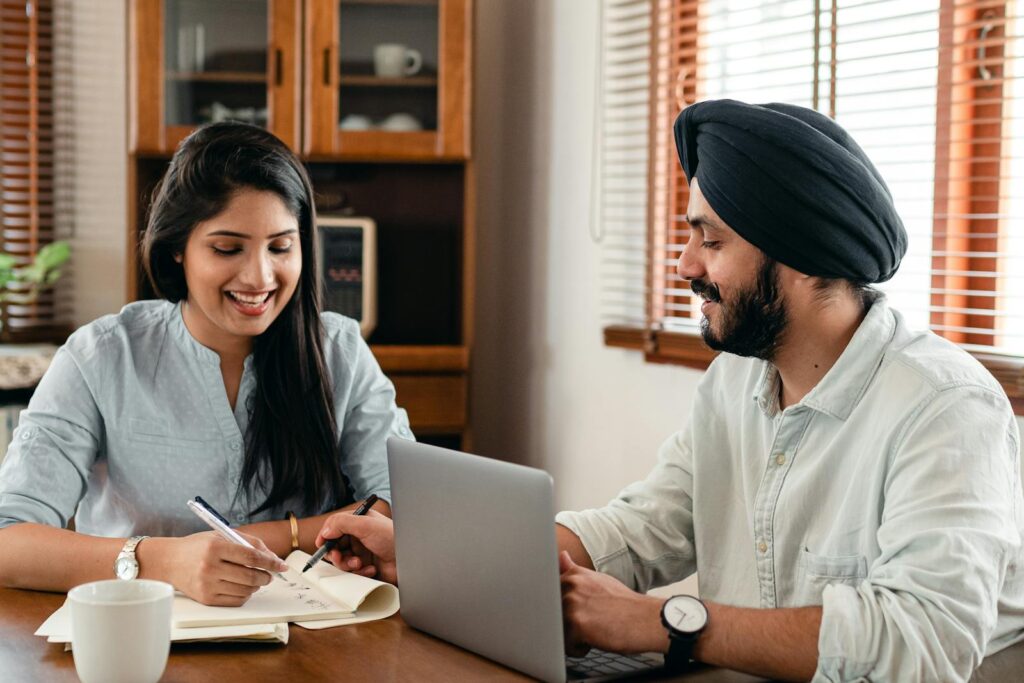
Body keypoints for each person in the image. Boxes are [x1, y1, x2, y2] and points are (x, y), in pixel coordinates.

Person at [316, 100, 1024, 681]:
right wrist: (437, 556)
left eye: (711, 242)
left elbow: (925, 640)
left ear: (805, 259)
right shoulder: (736, 378)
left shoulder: (945, 407)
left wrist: (661, 622)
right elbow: (643, 527)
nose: (685, 265)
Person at [0, 121, 412, 607]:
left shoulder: (338, 349)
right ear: (178, 248)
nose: (259, 276)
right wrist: (163, 560)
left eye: (281, 247)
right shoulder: (102, 356)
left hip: (313, 632)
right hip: (146, 629)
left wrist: (263, 538)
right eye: (227, 248)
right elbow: (10, 541)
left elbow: (404, 505)